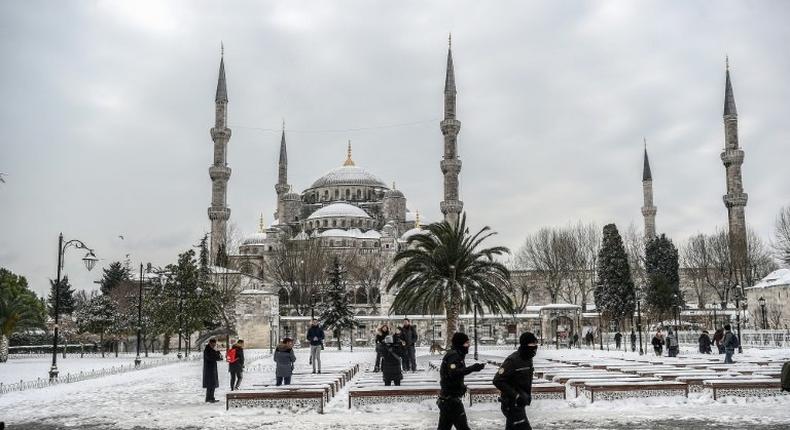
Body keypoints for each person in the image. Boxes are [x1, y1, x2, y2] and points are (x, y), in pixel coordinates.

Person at [437, 332, 485, 430]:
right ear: (460, 344)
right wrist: (472, 368)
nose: (469, 345)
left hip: (447, 400)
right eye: (466, 343)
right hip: (451, 401)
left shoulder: (456, 354)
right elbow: (453, 373)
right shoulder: (454, 355)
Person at [493, 332, 538, 430]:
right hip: (511, 404)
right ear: (525, 345)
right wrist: (516, 396)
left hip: (519, 404)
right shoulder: (512, 360)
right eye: (532, 344)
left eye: (535, 344)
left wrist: (525, 396)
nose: (535, 347)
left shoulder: (528, 358)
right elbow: (497, 380)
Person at [202, 338, 223, 403]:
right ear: (210, 343)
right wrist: (217, 356)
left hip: (212, 369)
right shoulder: (207, 350)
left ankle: (212, 398)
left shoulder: (211, 349)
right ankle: (208, 398)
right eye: (213, 344)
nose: (214, 346)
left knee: (212, 384)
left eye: (214, 344)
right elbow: (210, 358)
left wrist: (218, 354)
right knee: (210, 385)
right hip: (209, 369)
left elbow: (216, 357)